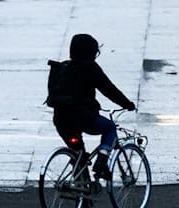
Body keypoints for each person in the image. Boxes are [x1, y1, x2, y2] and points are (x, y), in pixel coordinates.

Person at [51, 33, 136, 180]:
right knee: (110, 127)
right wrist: (127, 104)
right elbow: (109, 90)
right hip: (84, 118)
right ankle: (102, 161)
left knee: (79, 156)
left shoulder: (62, 67)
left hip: (61, 120)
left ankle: (82, 195)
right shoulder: (90, 67)